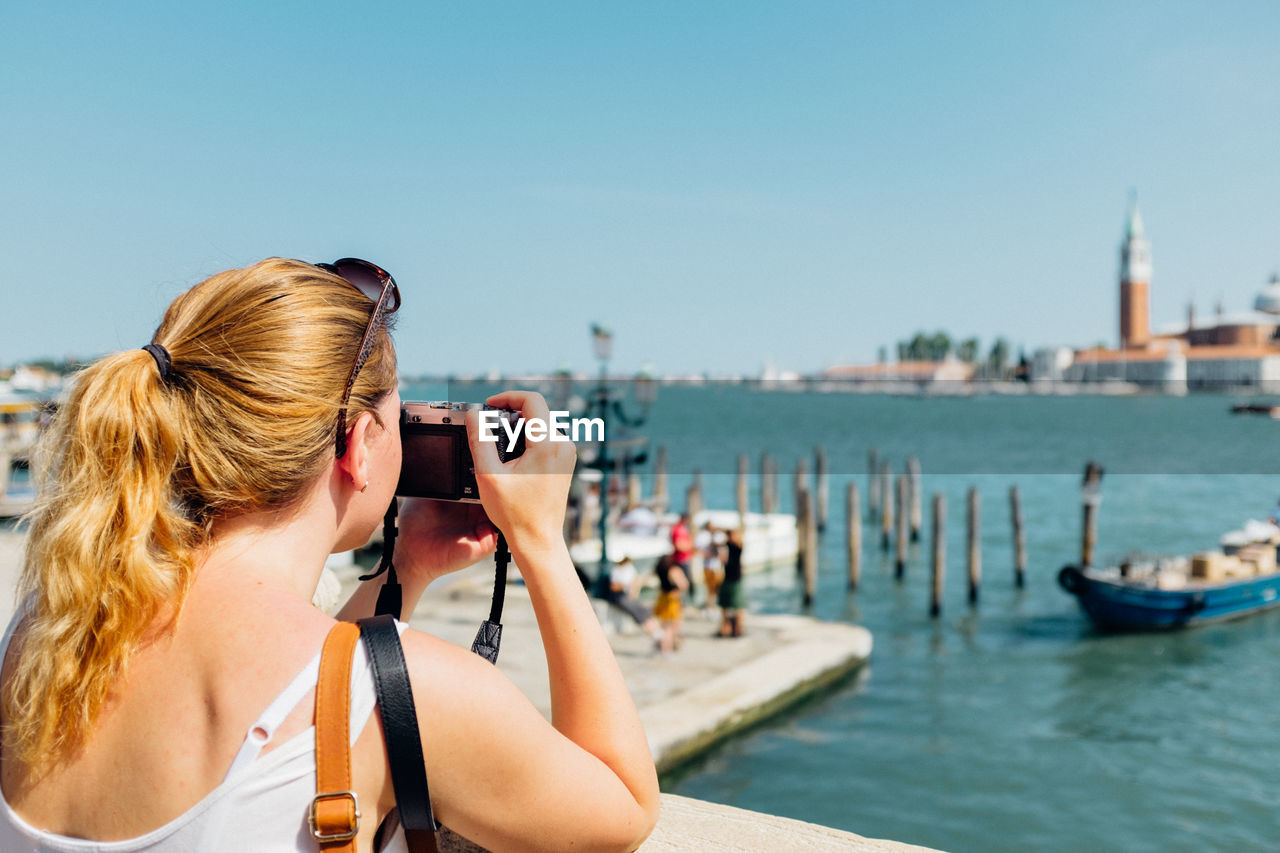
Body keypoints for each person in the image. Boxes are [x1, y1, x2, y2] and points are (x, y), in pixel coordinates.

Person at [0, 258, 659, 852]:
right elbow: (623, 807)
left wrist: (405, 570)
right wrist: (541, 542)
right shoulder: (421, 693)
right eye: (397, 420)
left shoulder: (48, 629)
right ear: (360, 444)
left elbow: (313, 689)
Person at [606, 556, 663, 643]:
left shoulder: (629, 568)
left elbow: (635, 580)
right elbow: (614, 587)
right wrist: (627, 585)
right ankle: (657, 634)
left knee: (644, 611)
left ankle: (658, 632)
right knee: (639, 614)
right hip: (620, 597)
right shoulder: (616, 571)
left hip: (628, 595)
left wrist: (634, 590)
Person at [651, 553, 688, 656]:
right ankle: (666, 649)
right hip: (672, 599)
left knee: (664, 626)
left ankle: (658, 645)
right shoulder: (674, 570)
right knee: (671, 627)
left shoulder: (659, 569)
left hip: (662, 598)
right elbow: (684, 585)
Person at [717, 527, 746, 638]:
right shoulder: (727, 546)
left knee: (737, 605)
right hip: (727, 578)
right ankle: (726, 628)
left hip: (735, 579)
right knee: (725, 605)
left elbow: (736, 542)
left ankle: (738, 629)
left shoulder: (737, 546)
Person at [695, 521, 723, 618]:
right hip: (708, 566)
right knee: (710, 587)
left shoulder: (718, 535)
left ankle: (713, 605)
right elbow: (698, 549)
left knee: (717, 587)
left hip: (717, 566)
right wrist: (708, 554)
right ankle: (709, 606)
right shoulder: (703, 536)